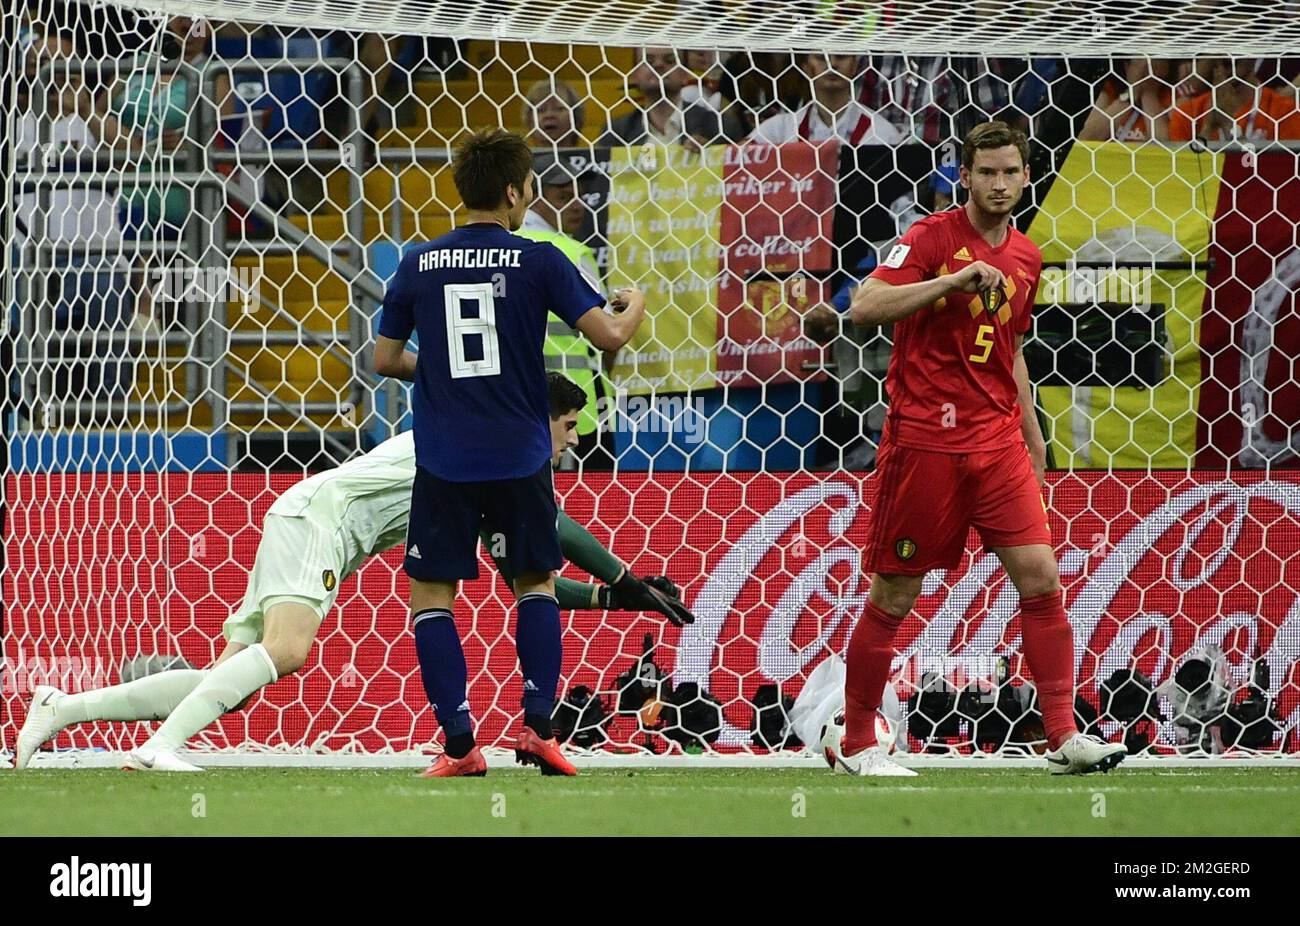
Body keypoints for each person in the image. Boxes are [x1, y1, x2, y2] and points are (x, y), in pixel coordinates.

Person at [12, 374, 693, 772]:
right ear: (534, 417)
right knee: (287, 651)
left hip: (310, 520)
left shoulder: (482, 461)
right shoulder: (483, 446)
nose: (573, 439)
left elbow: (529, 570)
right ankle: (159, 745)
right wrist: (627, 577)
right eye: (568, 424)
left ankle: (63, 708)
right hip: (321, 520)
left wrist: (613, 596)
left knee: (236, 680)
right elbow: (555, 531)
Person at [837, 121, 1128, 777]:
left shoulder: (1027, 256)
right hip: (925, 442)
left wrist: (1034, 438)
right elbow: (865, 305)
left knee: (1042, 577)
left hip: (996, 441)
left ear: (1026, 177)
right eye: (986, 172)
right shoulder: (930, 238)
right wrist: (949, 282)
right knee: (894, 595)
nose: (999, 184)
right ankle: (856, 743)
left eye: (1010, 172)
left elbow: (1012, 352)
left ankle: (1061, 735)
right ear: (963, 177)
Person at [372, 128, 645, 777]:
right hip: (521, 454)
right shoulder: (540, 259)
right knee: (535, 586)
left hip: (443, 456)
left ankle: (461, 745)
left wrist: (438, 371)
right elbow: (607, 336)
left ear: (461, 190)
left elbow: (384, 360)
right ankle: (540, 729)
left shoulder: (417, 263)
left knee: (433, 598)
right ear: (518, 191)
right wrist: (636, 306)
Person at [598, 47, 741, 148]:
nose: (659, 65)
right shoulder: (617, 132)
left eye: (670, 60)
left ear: (685, 73)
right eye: (648, 61)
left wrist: (710, 155)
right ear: (634, 75)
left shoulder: (719, 127)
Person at [748, 53, 904, 145]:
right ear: (806, 68)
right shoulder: (778, 130)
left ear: (855, 67)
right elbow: (734, 162)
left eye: (841, 56)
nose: (832, 64)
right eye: (822, 58)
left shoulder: (882, 133)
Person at [1169, 57, 1300, 142]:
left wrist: (1228, 125)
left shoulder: (1286, 111)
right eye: (1222, 39)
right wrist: (1207, 129)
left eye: (1240, 38)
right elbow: (1184, 177)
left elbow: (1281, 177)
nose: (1230, 52)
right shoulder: (1186, 114)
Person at [1078, 58, 1174, 142]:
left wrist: (1149, 95)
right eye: (1139, 61)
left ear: (1164, 69)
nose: (1145, 68)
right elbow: (1084, 138)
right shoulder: (1107, 93)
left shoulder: (1173, 98)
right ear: (1127, 67)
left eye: (1152, 63)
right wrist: (1130, 96)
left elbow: (1165, 144)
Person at [521, 79, 588, 149]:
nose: (549, 115)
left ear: (576, 117)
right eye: (540, 110)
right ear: (529, 120)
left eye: (559, 108)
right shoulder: (519, 160)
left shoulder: (593, 158)